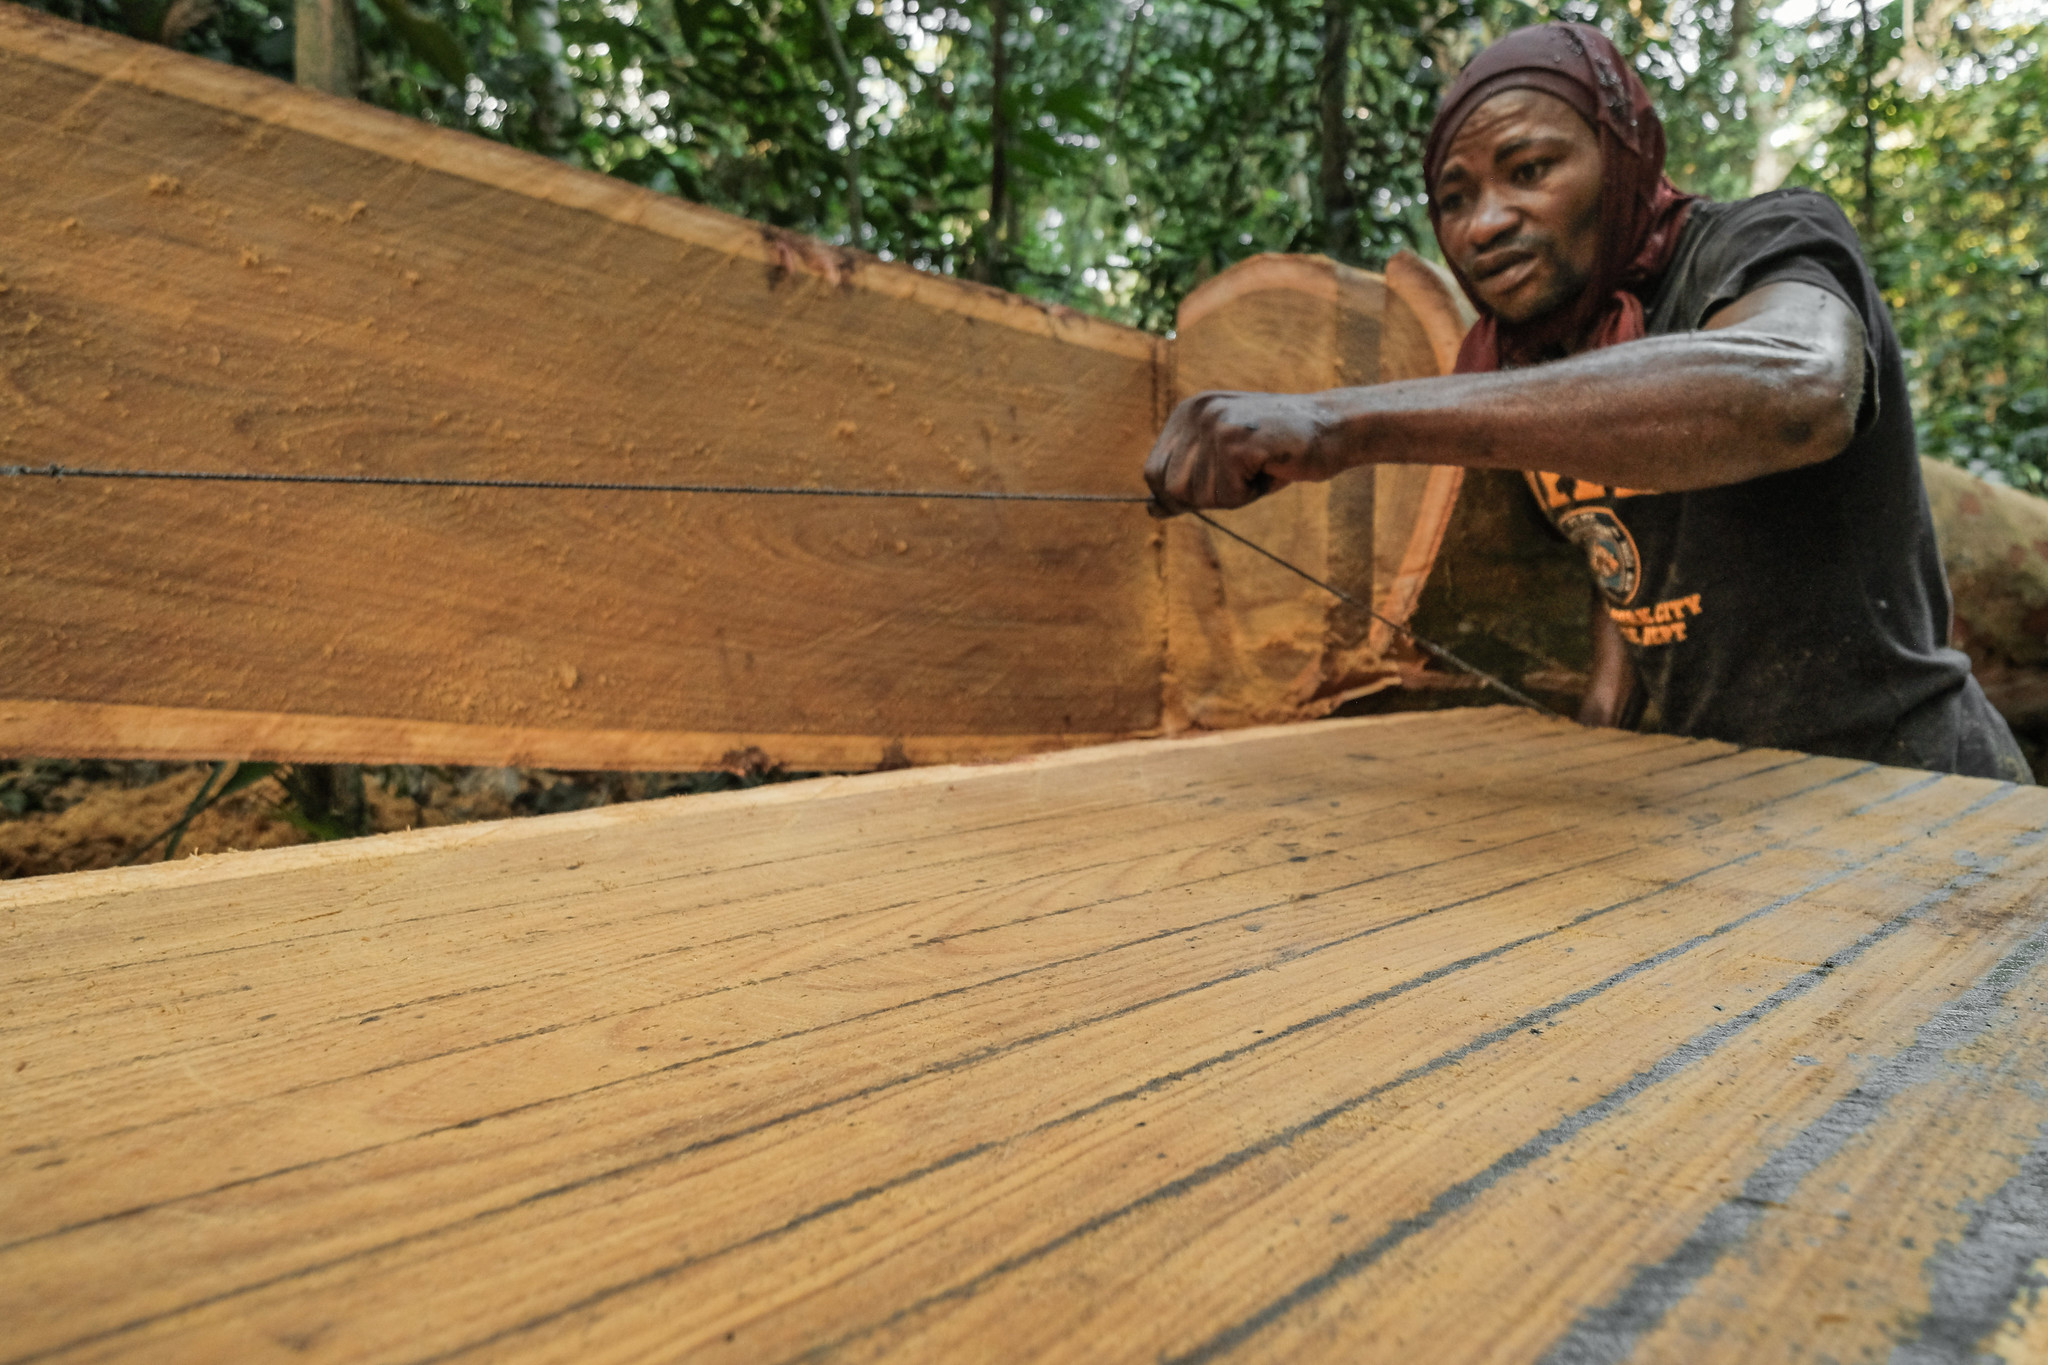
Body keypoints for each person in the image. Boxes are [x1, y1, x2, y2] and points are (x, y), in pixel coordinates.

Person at [1143, 21, 2029, 782]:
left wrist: (1343, 423)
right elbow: (1624, 551)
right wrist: (1606, 722)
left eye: (1530, 169)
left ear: (1623, 157)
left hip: (1915, 786)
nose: (1485, 222)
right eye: (1454, 199)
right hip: (1727, 805)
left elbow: (1800, 389)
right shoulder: (1526, 359)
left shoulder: (1762, 243)